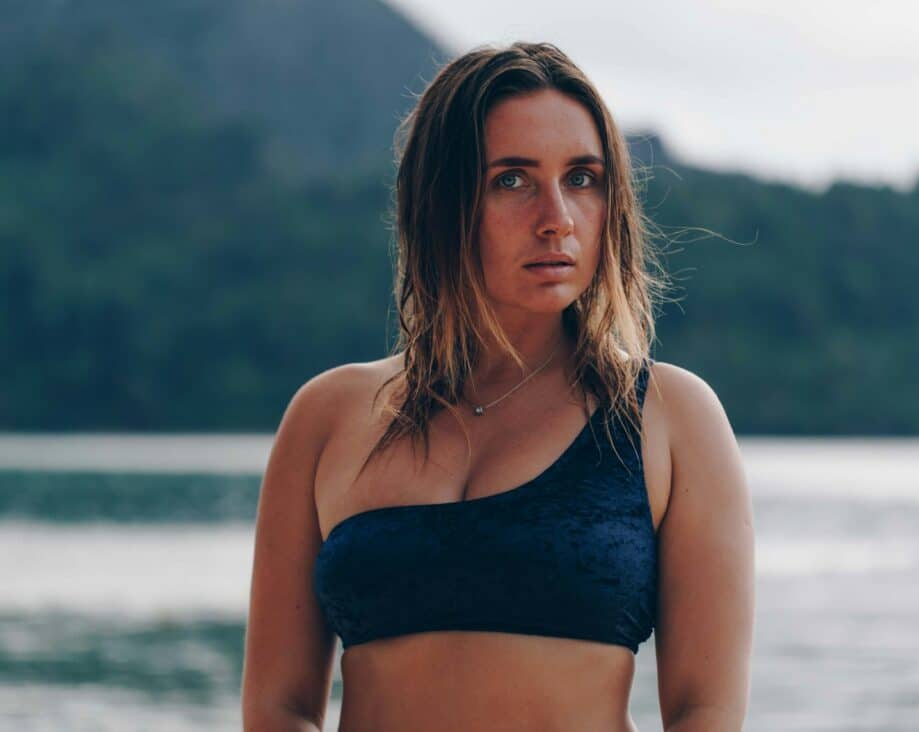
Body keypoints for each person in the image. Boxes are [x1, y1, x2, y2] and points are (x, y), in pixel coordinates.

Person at [241, 41, 754, 732]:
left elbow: (706, 713)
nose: (557, 217)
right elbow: (279, 709)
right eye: (512, 180)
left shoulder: (669, 417)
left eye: (582, 178)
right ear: (442, 202)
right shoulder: (328, 418)